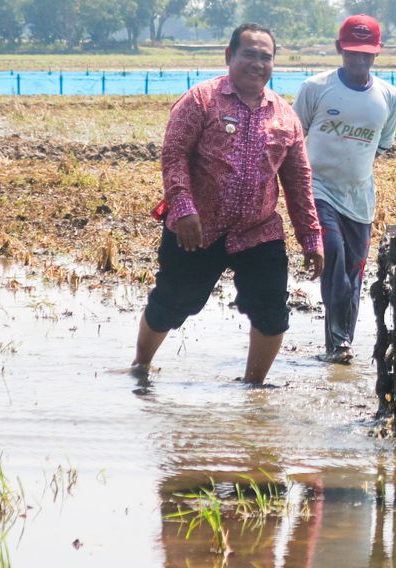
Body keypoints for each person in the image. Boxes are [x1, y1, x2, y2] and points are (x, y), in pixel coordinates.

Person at [131, 23, 324, 384]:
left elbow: (299, 183)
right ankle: (140, 366)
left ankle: (254, 389)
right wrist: (183, 208)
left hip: (258, 231)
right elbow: (174, 156)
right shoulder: (201, 100)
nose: (257, 63)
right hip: (197, 229)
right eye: (249, 54)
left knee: (271, 313)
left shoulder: (285, 117)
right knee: (170, 306)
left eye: (265, 57)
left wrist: (311, 239)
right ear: (229, 55)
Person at [294, 14, 396, 364]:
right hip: (318, 190)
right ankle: (340, 342)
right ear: (340, 49)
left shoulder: (389, 96)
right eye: (352, 53)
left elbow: (383, 146)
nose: (358, 60)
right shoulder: (316, 87)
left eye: (366, 54)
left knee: (354, 275)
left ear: (377, 53)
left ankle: (339, 347)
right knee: (335, 257)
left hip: (359, 198)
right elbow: (294, 137)